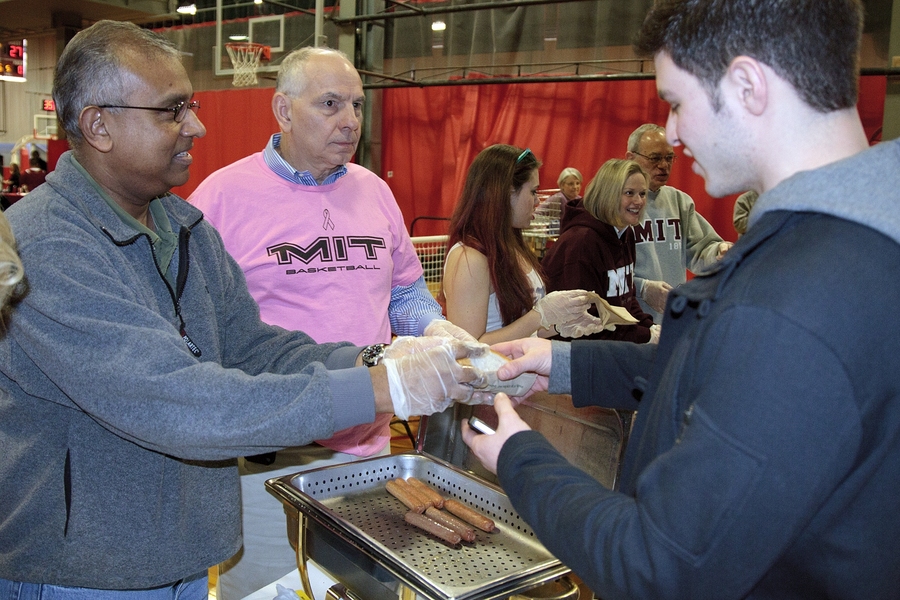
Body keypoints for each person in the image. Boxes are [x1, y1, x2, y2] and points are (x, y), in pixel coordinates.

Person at [0, 20, 489, 600]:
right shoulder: (46, 246)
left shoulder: (184, 230)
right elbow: (176, 400)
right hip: (85, 573)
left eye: (193, 105)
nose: (197, 126)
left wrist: (381, 357)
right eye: (172, 110)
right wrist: (382, 390)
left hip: (179, 553)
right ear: (98, 126)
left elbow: (256, 348)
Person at [461, 0, 900, 598]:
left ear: (747, 84)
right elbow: (720, 374)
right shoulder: (847, 246)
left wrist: (520, 456)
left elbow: (659, 564)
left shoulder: (798, 298)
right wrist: (561, 360)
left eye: (676, 102)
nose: (669, 132)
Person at [189, 46, 458, 599]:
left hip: (370, 450)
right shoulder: (221, 197)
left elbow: (405, 289)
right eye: (330, 104)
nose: (351, 120)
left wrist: (436, 329)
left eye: (357, 105)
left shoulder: (373, 189)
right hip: (271, 461)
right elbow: (194, 324)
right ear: (282, 110)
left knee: (371, 592)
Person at [441, 144, 607, 344]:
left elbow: (517, 330)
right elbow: (468, 347)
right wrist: (539, 316)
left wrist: (558, 326)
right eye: (533, 191)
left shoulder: (512, 245)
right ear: (507, 193)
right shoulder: (469, 258)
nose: (537, 201)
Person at [542, 159, 657, 343]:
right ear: (608, 194)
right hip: (572, 353)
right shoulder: (581, 243)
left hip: (606, 346)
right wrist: (646, 336)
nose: (639, 201)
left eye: (642, 193)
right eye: (629, 193)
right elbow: (584, 323)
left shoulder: (624, 232)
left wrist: (649, 326)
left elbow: (625, 299)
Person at [626, 123, 733, 322]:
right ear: (630, 158)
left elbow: (702, 250)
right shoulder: (615, 203)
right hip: (630, 320)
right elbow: (601, 273)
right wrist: (642, 288)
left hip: (670, 318)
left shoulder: (679, 202)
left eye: (669, 158)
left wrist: (719, 252)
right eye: (655, 158)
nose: (664, 166)